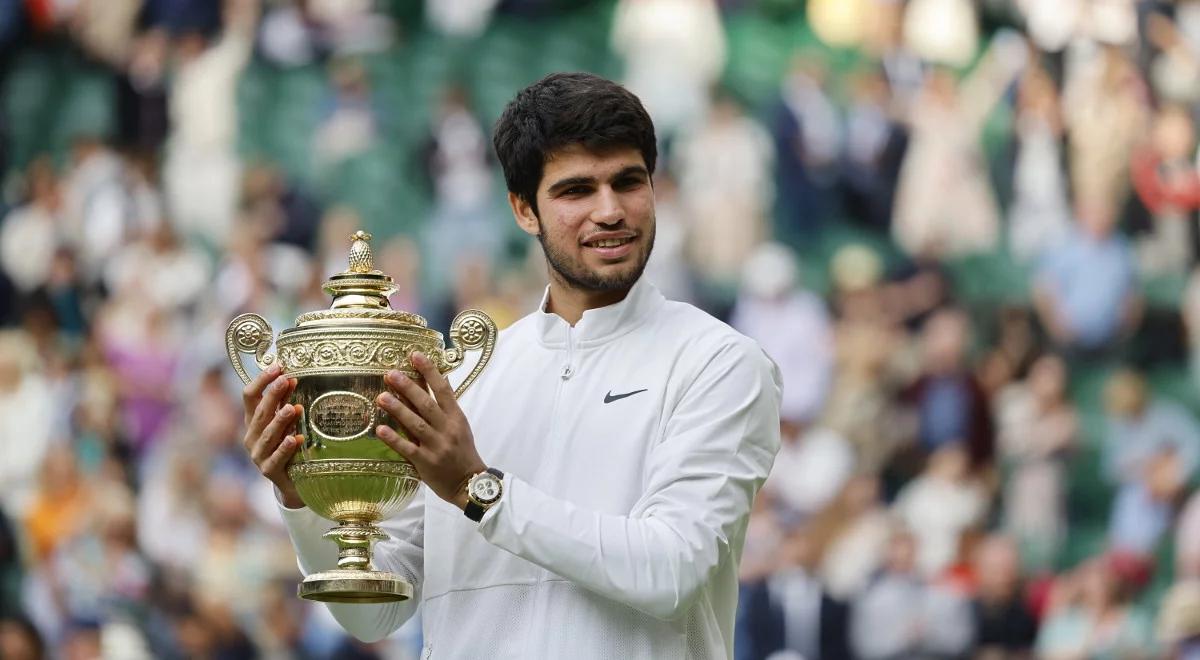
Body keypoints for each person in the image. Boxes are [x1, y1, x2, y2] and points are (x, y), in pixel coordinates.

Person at [239, 72, 783, 659]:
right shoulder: (471, 375)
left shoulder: (720, 364)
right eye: (576, 191)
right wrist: (301, 499)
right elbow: (378, 613)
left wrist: (480, 492)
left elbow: (671, 570)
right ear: (524, 210)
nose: (610, 211)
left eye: (629, 182)